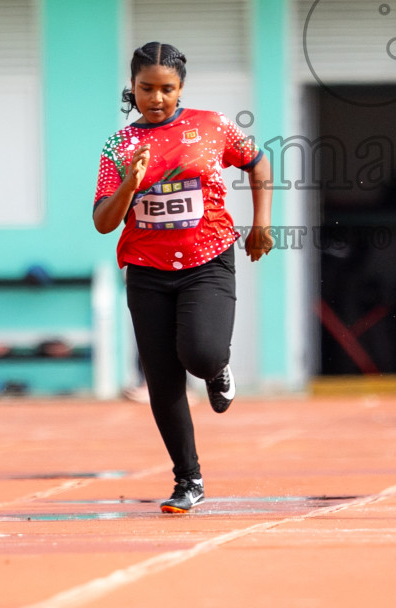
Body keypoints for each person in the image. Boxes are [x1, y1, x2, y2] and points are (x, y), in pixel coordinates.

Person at [93, 42, 274, 513]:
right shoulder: (120, 145)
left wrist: (262, 224)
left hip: (208, 260)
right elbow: (103, 221)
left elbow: (258, 162)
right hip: (147, 272)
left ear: (181, 89)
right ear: (131, 88)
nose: (156, 98)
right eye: (146, 88)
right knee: (164, 382)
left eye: (166, 89)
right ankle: (187, 480)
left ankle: (218, 368)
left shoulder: (211, 126)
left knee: (201, 353)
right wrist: (129, 187)